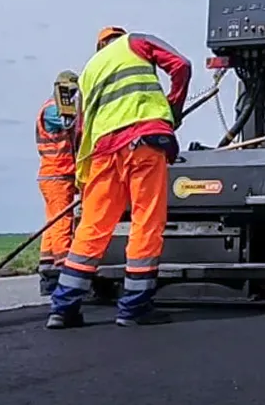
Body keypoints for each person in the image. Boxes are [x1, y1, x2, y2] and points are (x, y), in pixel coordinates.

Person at [46, 26, 191, 329]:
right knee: (146, 222)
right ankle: (134, 308)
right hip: (143, 143)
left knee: (92, 229)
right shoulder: (136, 42)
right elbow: (181, 65)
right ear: (118, 38)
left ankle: (63, 308)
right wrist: (171, 111)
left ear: (100, 45)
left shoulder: (89, 70)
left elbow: (81, 129)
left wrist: (83, 177)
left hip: (101, 154)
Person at [35, 71, 81, 296]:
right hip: (57, 175)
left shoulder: (54, 107)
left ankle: (48, 272)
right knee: (62, 222)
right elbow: (70, 122)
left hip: (55, 175)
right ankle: (64, 272)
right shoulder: (53, 109)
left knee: (52, 224)